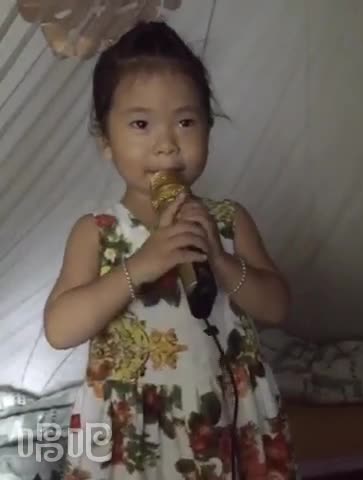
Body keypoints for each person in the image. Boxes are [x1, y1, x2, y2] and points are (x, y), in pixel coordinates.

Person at [44, 20, 298, 480]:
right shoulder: (97, 232)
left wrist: (220, 260)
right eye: (141, 124)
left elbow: (278, 306)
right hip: (132, 433)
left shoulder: (229, 220)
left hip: (226, 418)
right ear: (106, 141)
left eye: (185, 122)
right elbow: (59, 329)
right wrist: (142, 265)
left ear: (208, 130)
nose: (166, 144)